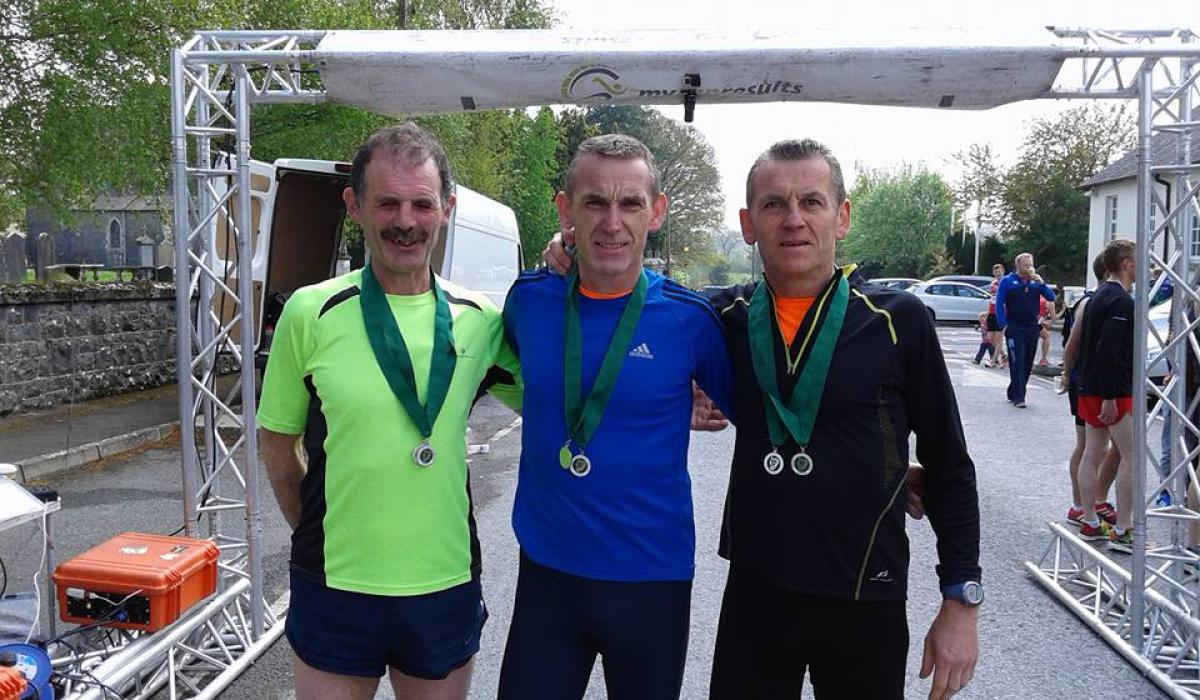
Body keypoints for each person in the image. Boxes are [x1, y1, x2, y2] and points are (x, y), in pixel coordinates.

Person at [702, 140, 980, 700]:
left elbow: (950, 464)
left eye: (812, 201)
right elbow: (627, 297)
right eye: (774, 204)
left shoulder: (898, 320)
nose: (794, 219)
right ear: (749, 223)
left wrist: (960, 600)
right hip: (757, 596)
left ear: (842, 216)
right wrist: (567, 253)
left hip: (864, 594)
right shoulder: (721, 316)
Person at [256, 123, 521, 700]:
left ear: (446, 208)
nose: (406, 220)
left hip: (443, 581)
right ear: (354, 205)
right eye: (388, 202)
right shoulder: (309, 312)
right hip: (335, 583)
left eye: (422, 204)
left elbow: (560, 394)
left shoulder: (480, 319)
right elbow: (276, 440)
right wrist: (314, 529)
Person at [497, 134, 735, 700]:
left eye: (630, 203)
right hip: (549, 574)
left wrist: (890, 467)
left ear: (657, 211)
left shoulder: (691, 320)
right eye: (594, 202)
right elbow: (506, 381)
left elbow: (762, 414)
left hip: (652, 579)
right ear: (566, 209)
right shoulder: (527, 300)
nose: (612, 222)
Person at [1074, 238, 1137, 549]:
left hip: (1089, 385)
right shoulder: (1121, 301)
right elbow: (1108, 349)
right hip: (1112, 389)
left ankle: (1089, 519)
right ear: (1126, 264)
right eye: (1138, 261)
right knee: (1132, 456)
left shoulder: (1097, 296)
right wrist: (1111, 396)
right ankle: (1124, 529)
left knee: (1092, 451)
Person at [1059, 254, 1120, 530]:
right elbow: (1072, 344)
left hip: (1091, 380)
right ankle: (1081, 505)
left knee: (1105, 447)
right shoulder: (1090, 301)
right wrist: (1066, 374)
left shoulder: (1097, 300)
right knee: (1088, 445)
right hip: (1087, 381)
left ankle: (1094, 501)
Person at [995, 252, 1056, 408]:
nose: (1029, 267)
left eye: (1031, 264)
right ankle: (1019, 397)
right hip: (1015, 326)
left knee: (1027, 361)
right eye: (1026, 265)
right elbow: (999, 303)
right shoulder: (1008, 281)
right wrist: (1003, 324)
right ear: (1018, 265)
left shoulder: (1035, 282)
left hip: (1032, 327)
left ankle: (1014, 390)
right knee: (1018, 359)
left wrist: (1041, 283)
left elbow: (1051, 297)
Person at [985, 263, 1007, 368]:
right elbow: (992, 298)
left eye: (999, 272)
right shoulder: (993, 283)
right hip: (991, 312)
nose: (998, 274)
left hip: (1001, 313)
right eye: (996, 272)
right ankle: (1003, 355)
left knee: (999, 338)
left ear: (1003, 272)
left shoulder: (1005, 283)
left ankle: (993, 360)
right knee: (990, 338)